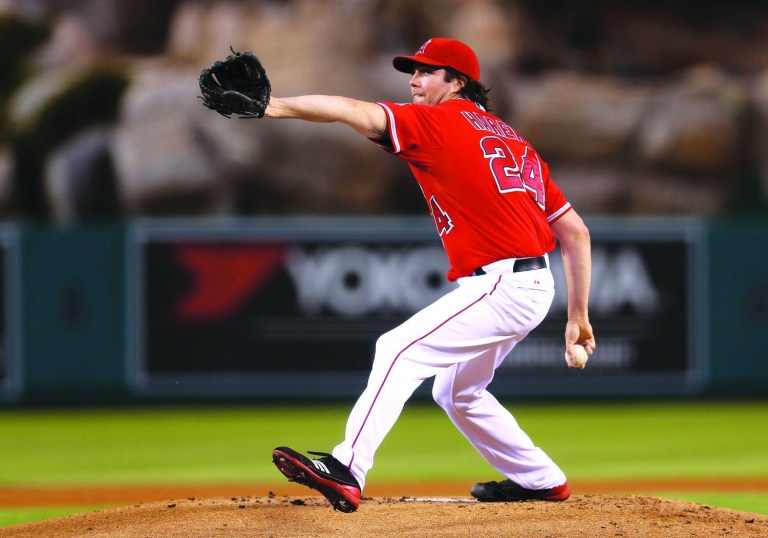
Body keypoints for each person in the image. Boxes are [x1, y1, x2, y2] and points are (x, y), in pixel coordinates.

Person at [270, 37, 596, 513]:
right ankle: (541, 480)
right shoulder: (513, 139)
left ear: (457, 82)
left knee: (396, 348)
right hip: (531, 283)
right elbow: (575, 231)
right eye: (413, 71)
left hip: (503, 283)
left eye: (427, 71)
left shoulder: (436, 122)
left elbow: (348, 109)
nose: (414, 80)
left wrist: (275, 106)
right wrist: (578, 315)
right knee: (456, 390)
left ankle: (347, 469)